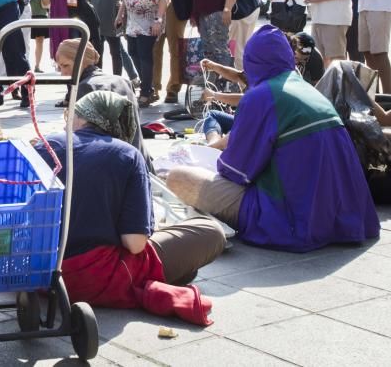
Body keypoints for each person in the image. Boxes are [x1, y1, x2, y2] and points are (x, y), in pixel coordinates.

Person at [166, 26, 379, 252]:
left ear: (252, 61)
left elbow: (236, 171)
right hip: (343, 217)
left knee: (177, 176)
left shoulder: (260, 96)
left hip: (290, 218)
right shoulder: (308, 90)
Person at [38, 91, 224, 324]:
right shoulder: (127, 154)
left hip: (38, 274)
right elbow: (135, 244)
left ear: (82, 116)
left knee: (184, 265)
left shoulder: (45, 145)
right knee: (210, 231)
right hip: (96, 278)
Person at [55, 39, 145, 155]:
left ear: (82, 61)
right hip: (139, 159)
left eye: (65, 65)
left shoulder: (85, 87)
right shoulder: (123, 81)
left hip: (115, 162)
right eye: (59, 68)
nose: (63, 73)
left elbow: (80, 140)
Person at [117, 0, 172, 106]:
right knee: (133, 52)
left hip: (149, 17)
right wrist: (120, 14)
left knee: (145, 54)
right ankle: (145, 84)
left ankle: (147, 91)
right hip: (132, 18)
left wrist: (158, 19)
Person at [27, 0, 51, 72]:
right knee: (24, 41)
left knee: (39, 41)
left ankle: (37, 66)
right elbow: (22, 0)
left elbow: (47, 3)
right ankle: (26, 64)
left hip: (40, 14)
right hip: (27, 15)